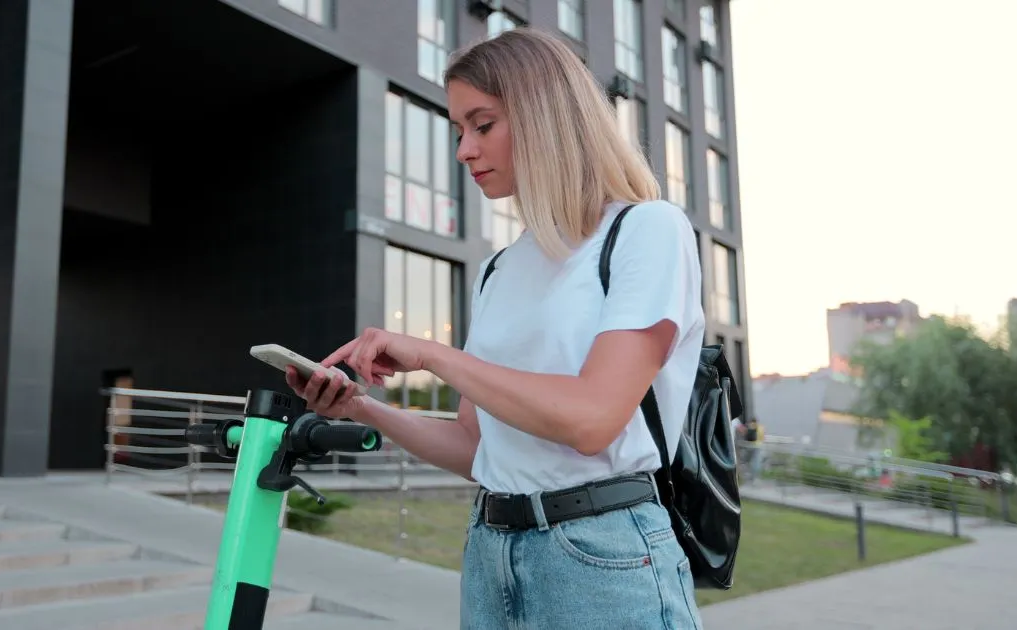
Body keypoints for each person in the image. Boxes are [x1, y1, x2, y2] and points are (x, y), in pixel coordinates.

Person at [286, 27, 706, 629]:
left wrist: (434, 355)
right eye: (459, 130)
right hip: (491, 551)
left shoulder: (647, 230)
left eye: (482, 125)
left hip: (602, 556)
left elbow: (592, 419)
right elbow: (477, 448)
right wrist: (360, 408)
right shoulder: (497, 271)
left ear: (545, 117)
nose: (464, 150)